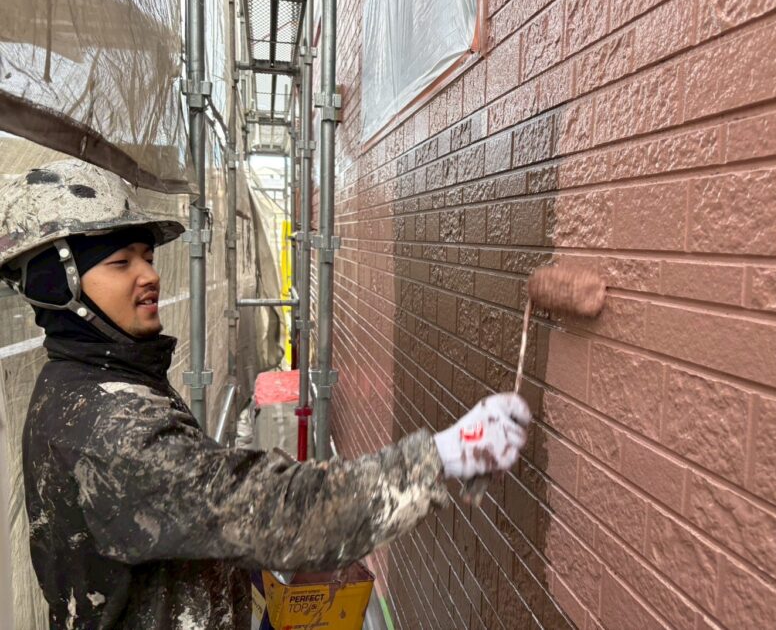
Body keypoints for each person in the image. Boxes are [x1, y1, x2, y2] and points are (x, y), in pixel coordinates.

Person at [0, 159, 531, 629]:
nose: (150, 275)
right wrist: (438, 459)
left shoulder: (86, 380)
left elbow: (190, 513)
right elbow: (277, 509)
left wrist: (235, 571)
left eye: (146, 256)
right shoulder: (109, 430)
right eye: (121, 263)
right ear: (56, 286)